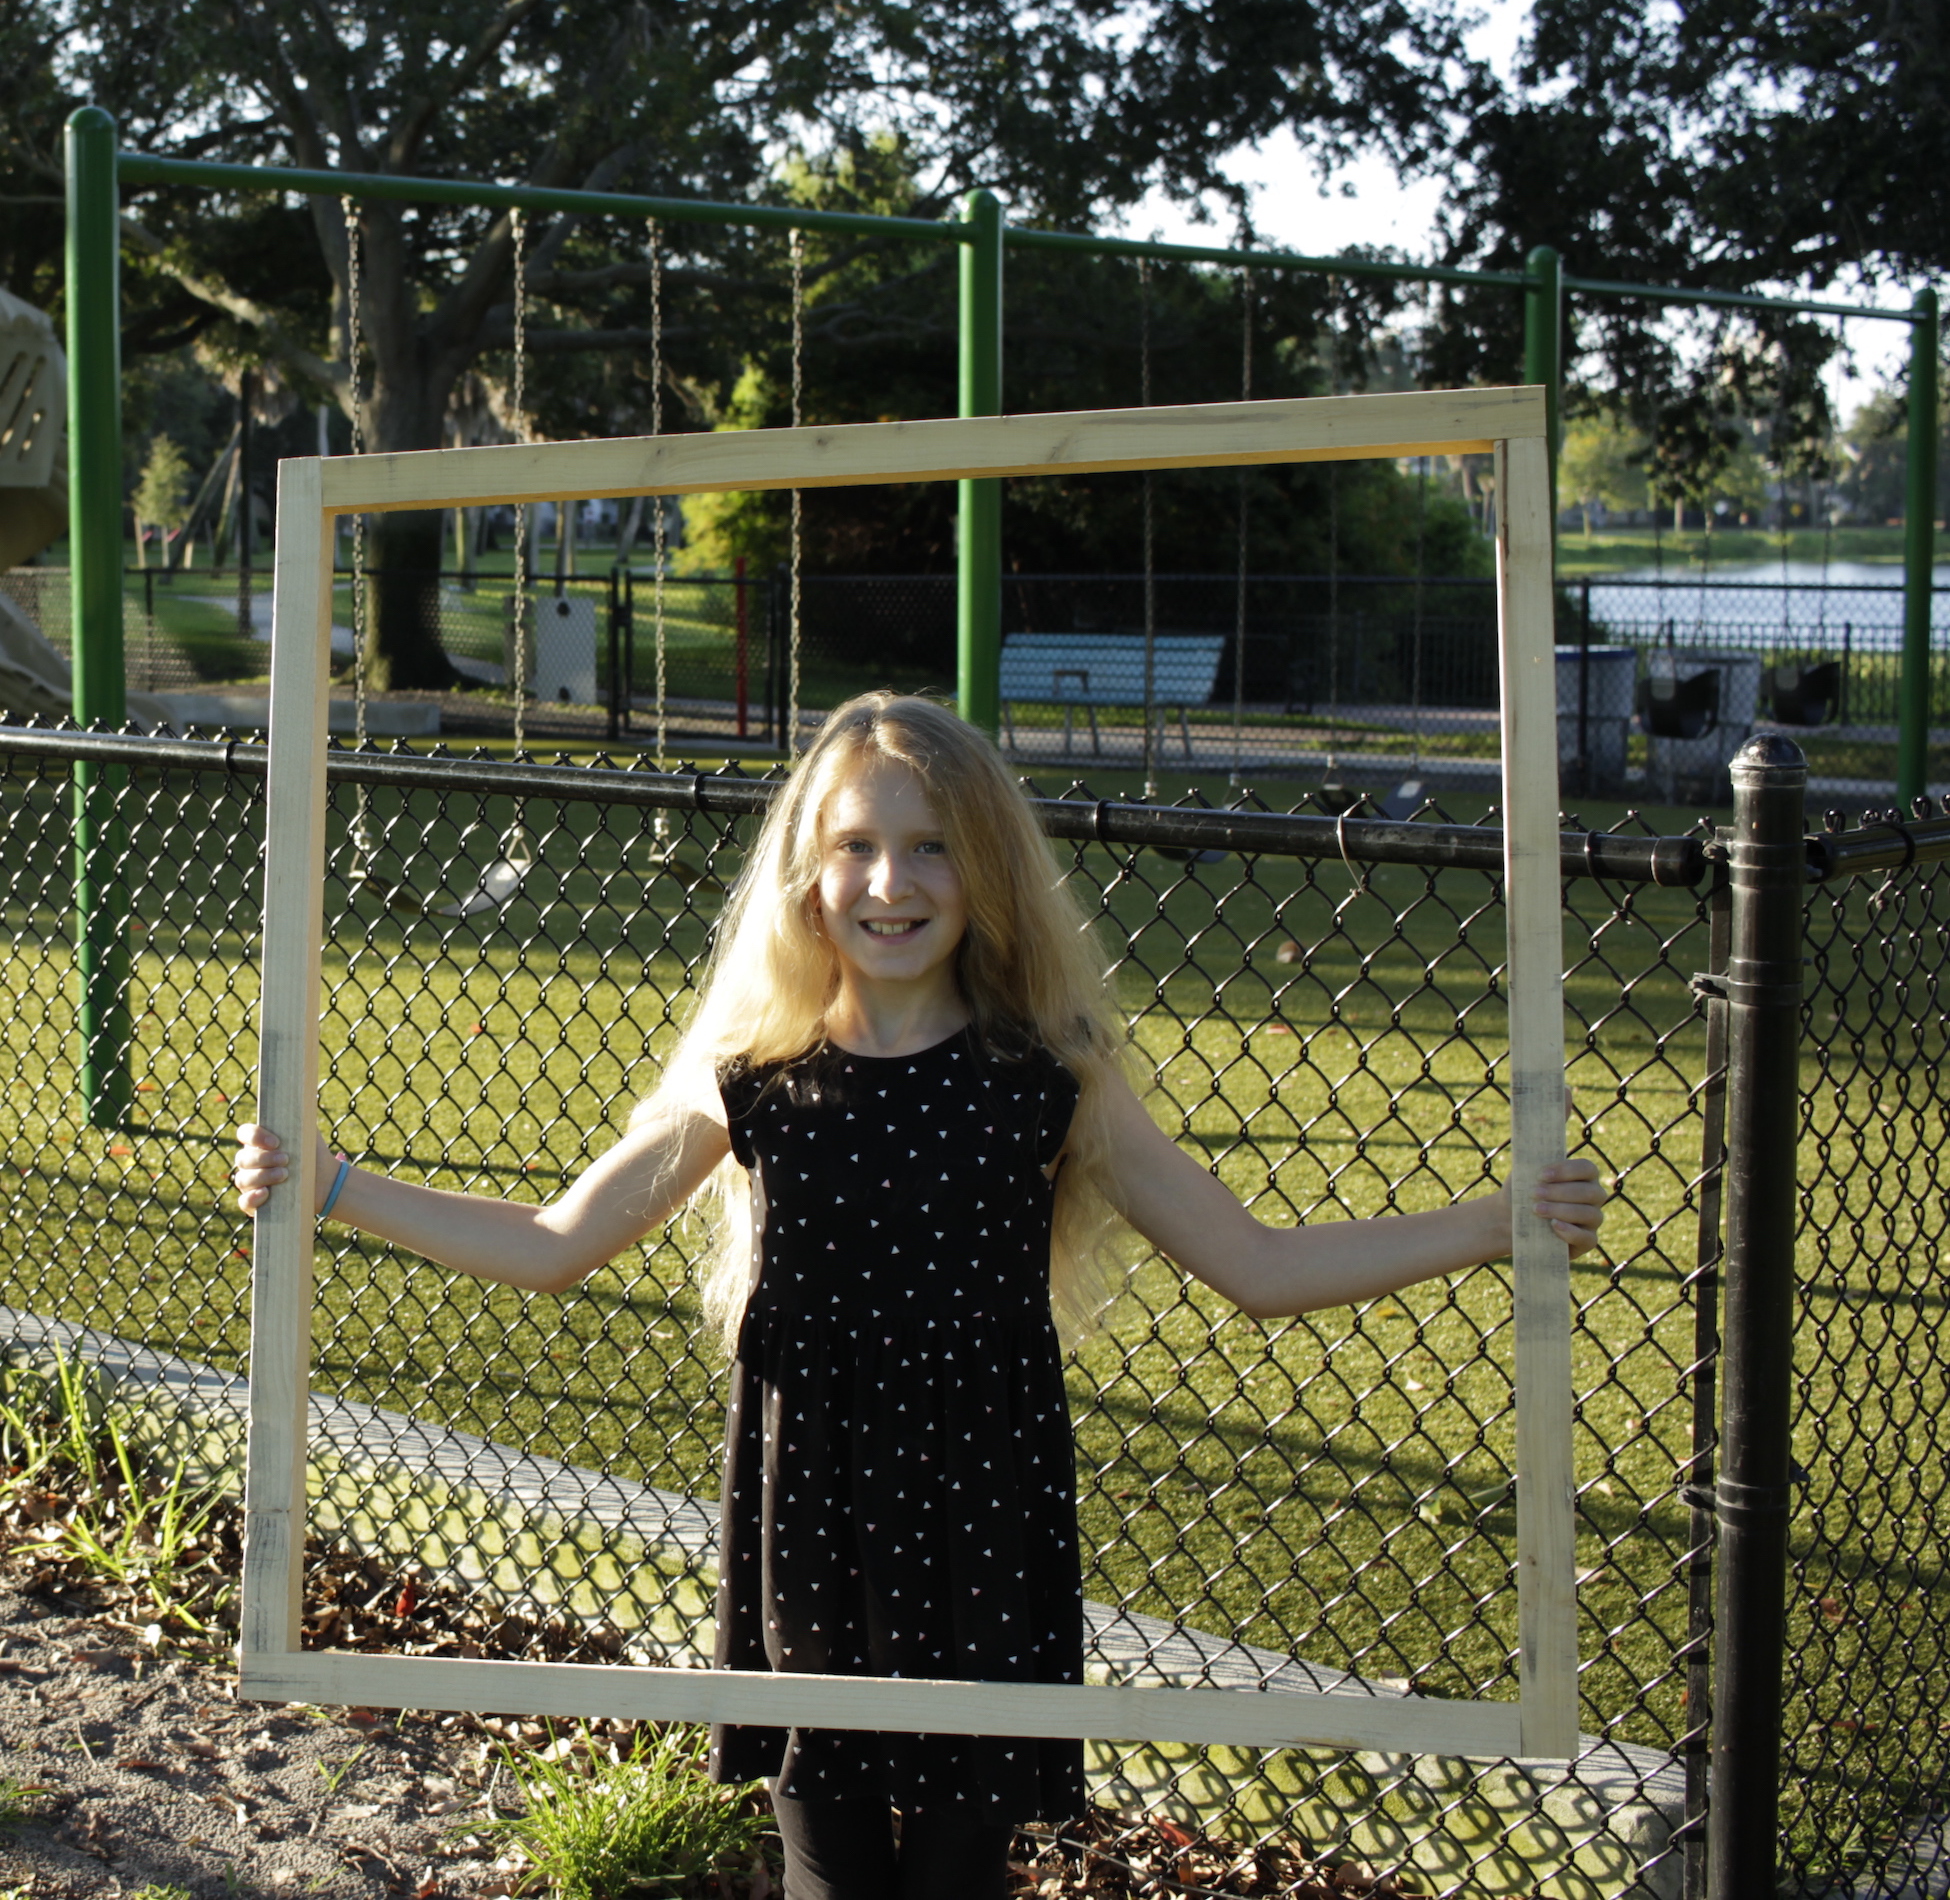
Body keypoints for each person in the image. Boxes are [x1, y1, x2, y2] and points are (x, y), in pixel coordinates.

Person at [232, 690, 1610, 1900]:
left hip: (983, 1522)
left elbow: (1259, 1269)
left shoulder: (1046, 1074)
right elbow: (551, 1240)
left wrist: (1493, 1222)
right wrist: (334, 1185)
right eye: (855, 844)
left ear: (985, 867)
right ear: (806, 871)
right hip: (811, 1513)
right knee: (828, 1869)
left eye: (930, 843)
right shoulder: (747, 1067)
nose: (890, 879)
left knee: (955, 1874)